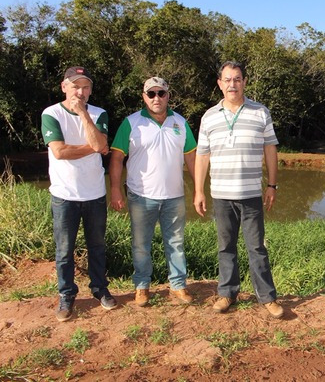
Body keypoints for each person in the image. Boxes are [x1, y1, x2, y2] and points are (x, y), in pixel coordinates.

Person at [193, 61, 284, 319]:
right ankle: (226, 293)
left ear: (244, 82)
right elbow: (202, 156)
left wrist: (272, 185)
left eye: (237, 79)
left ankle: (267, 298)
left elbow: (270, 150)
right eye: (227, 80)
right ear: (220, 84)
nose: (232, 84)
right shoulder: (208, 116)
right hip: (221, 194)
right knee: (225, 247)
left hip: (251, 194)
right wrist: (198, 191)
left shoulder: (260, 112)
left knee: (256, 247)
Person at [110, 77, 197, 307]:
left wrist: (199, 189)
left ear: (168, 95)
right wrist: (115, 189)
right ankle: (141, 286)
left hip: (174, 195)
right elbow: (117, 157)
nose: (156, 98)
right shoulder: (132, 123)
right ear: (144, 96)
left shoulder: (181, 122)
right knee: (141, 244)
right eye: (151, 94)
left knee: (176, 242)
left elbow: (191, 157)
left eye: (161, 93)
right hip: (141, 196)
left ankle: (178, 285)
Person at [41, 66, 117, 322]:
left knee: (97, 246)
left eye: (85, 87)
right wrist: (94, 146)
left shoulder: (99, 113)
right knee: (64, 250)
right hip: (64, 195)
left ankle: (100, 289)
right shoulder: (50, 114)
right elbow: (60, 152)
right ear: (64, 87)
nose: (80, 92)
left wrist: (83, 114)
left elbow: (101, 145)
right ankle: (67, 295)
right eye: (75, 86)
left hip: (94, 194)